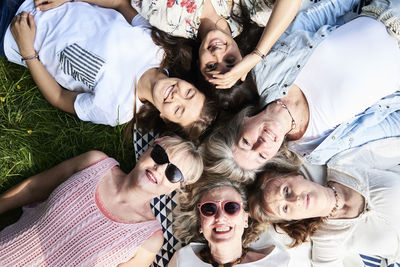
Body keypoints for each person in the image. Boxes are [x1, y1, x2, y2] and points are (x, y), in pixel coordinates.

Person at [204, 0, 400, 174]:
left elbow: (317, 15)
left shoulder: (267, 72)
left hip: (388, 10)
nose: (261, 144)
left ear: (243, 121)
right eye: (262, 156)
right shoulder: (319, 149)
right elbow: (390, 125)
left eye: (246, 142)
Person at [1, 0, 217, 141]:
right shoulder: (159, 47)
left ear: (166, 119)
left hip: (11, 32)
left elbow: (59, 97)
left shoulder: (117, 110)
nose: (177, 95)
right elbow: (119, 4)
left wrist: (28, 51)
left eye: (179, 110)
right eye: (189, 93)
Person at [0, 136, 203, 266]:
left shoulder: (149, 239)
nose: (159, 168)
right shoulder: (94, 163)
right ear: (148, 150)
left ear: (177, 188)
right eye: (160, 155)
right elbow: (33, 188)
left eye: (173, 173)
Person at [249, 137, 400, 267]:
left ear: (295, 175)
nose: (296, 200)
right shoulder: (327, 240)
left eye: (286, 191)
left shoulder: (347, 163)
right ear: (291, 219)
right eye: (285, 208)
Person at [169, 176, 290, 266]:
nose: (220, 217)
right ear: (200, 223)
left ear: (245, 219)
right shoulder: (182, 260)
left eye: (231, 207)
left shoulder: (276, 263)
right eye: (209, 209)